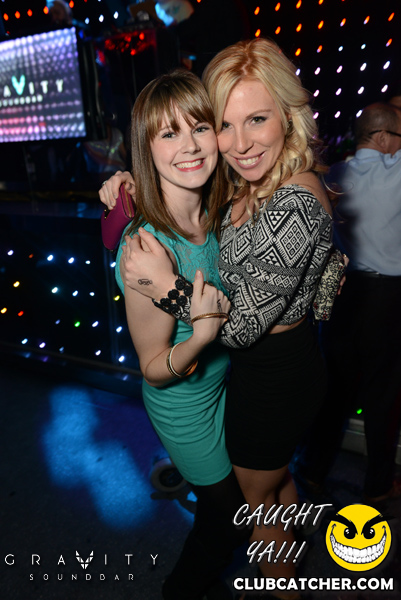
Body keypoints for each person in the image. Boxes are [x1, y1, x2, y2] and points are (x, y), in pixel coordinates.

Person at [100, 38, 333, 599]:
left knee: (252, 503)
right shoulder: (188, 218)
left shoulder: (250, 197)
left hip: (258, 377)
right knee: (246, 507)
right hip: (199, 397)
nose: (236, 142)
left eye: (255, 119)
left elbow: (247, 318)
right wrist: (126, 191)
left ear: (288, 114)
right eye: (224, 124)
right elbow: (153, 366)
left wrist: (170, 288)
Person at [109, 69, 250, 600]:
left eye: (199, 127)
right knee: (229, 515)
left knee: (234, 502)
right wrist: (199, 338)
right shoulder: (148, 248)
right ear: (147, 148)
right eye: (169, 133)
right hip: (184, 408)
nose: (189, 146)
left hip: (226, 387)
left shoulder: (218, 208)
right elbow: (152, 368)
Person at [296, 102, 401, 503]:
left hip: (341, 294)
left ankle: (312, 472)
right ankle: (379, 487)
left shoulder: (333, 175)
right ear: (384, 137)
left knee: (334, 390)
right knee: (383, 397)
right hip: (387, 300)